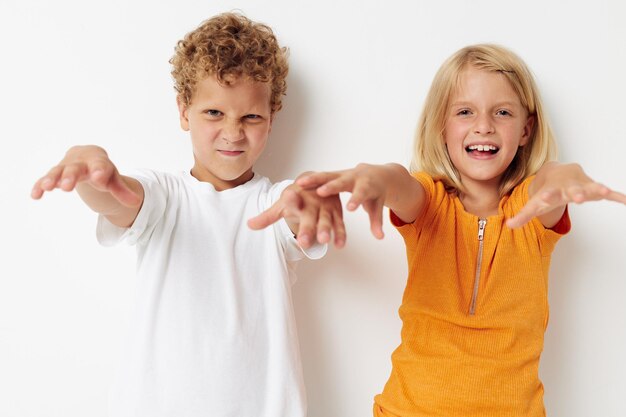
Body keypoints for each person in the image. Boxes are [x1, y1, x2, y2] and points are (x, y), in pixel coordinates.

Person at [31, 12, 345, 417]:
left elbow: (298, 208)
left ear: (272, 117)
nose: (233, 133)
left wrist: (312, 200)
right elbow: (119, 198)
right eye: (214, 113)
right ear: (184, 111)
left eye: (251, 116)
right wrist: (90, 169)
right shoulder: (165, 196)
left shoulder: (272, 202)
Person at [287, 44, 626, 416]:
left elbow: (550, 182)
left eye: (502, 112)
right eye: (465, 112)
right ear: (441, 128)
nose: (484, 125)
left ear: (527, 130)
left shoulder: (531, 214)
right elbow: (398, 181)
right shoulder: (429, 204)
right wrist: (371, 177)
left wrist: (566, 175)